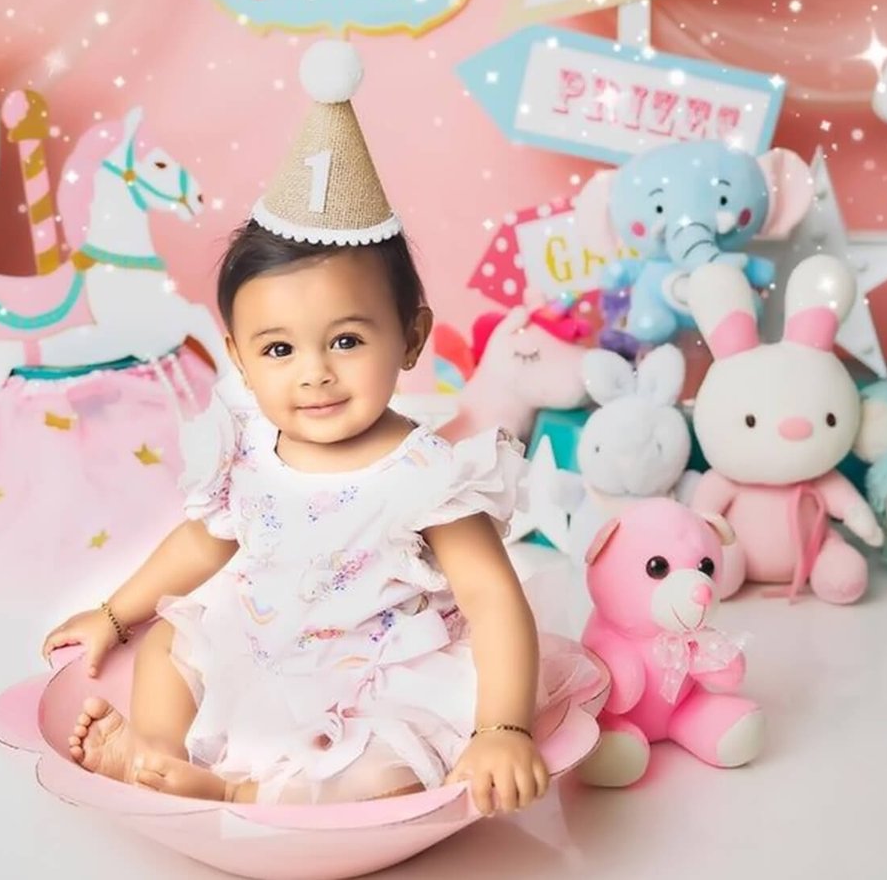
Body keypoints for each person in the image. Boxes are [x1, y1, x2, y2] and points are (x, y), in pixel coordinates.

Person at [42, 40, 593, 813]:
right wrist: (111, 612)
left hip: (374, 673)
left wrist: (502, 726)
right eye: (279, 349)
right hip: (262, 642)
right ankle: (157, 751)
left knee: (386, 775)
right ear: (239, 357)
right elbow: (200, 544)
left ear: (410, 336)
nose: (315, 373)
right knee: (173, 639)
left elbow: (493, 597)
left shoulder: (428, 475)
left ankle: (238, 789)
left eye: (346, 340)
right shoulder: (248, 452)